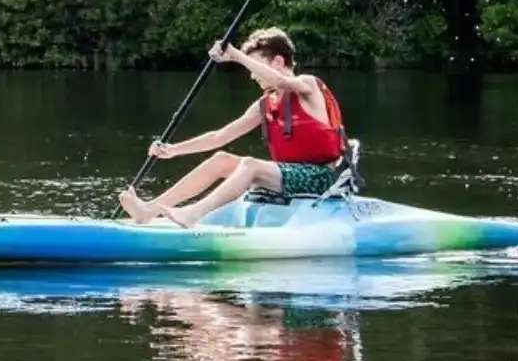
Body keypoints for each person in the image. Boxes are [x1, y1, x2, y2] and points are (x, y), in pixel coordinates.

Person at [118, 26, 347, 227]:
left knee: (250, 165)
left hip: (321, 177)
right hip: (286, 176)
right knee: (221, 159)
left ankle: (192, 214)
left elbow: (282, 81)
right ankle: (149, 210)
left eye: (255, 66)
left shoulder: (307, 84)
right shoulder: (266, 104)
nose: (252, 76)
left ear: (278, 61)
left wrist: (236, 55)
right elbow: (220, 136)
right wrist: (173, 150)